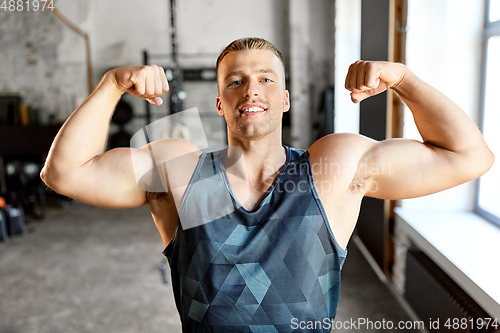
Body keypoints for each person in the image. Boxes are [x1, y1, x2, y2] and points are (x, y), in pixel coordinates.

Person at [40, 37, 494, 332]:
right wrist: (111, 84)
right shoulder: (177, 168)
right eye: (235, 81)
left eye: (265, 79)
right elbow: (63, 173)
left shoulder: (332, 167)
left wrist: (406, 80)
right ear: (220, 101)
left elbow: (469, 157)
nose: (251, 90)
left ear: (285, 99)